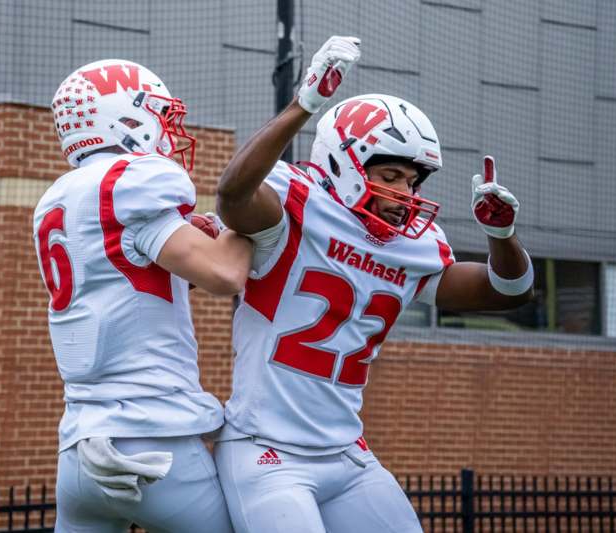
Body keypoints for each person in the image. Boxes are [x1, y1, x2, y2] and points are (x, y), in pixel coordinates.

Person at [214, 36, 534, 533]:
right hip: (266, 448)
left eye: (412, 183)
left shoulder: (413, 244)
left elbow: (508, 293)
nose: (406, 195)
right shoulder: (297, 205)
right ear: (344, 163)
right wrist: (305, 104)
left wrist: (502, 236)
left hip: (345, 452)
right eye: (391, 176)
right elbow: (233, 193)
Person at [33, 59, 251, 533]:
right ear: (124, 119)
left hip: (79, 447)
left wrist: (191, 236)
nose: (170, 129)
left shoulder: (58, 197)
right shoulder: (131, 180)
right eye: (160, 114)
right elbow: (225, 275)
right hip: (156, 441)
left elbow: (133, 274)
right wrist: (249, 228)